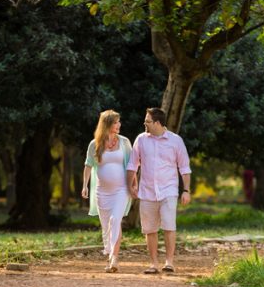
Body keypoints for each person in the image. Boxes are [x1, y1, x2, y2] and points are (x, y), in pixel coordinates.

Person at [127, 107, 192, 274]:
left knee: (169, 226)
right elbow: (133, 164)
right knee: (149, 229)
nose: (144, 124)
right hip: (147, 191)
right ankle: (154, 263)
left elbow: (184, 167)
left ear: (157, 123)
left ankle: (169, 262)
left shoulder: (175, 141)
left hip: (168, 190)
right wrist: (131, 185)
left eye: (147, 121)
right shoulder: (141, 140)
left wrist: (186, 190)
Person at [81, 110, 133, 273]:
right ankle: (110, 254)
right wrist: (85, 185)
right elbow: (88, 165)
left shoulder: (124, 142)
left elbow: (132, 166)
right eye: (116, 122)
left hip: (121, 190)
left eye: (119, 122)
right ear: (107, 124)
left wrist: (134, 184)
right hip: (102, 192)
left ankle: (114, 259)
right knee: (106, 225)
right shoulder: (94, 143)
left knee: (114, 220)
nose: (119, 125)